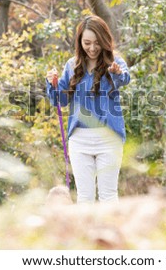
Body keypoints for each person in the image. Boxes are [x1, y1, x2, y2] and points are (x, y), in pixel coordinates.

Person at [46, 15, 130, 203]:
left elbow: (123, 79)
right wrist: (52, 84)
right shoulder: (72, 65)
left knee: (108, 195)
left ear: (104, 40)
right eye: (87, 43)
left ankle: (111, 232)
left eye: (97, 43)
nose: (92, 48)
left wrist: (116, 73)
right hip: (80, 140)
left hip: (109, 138)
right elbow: (61, 101)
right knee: (85, 197)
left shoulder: (115, 62)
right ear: (80, 42)